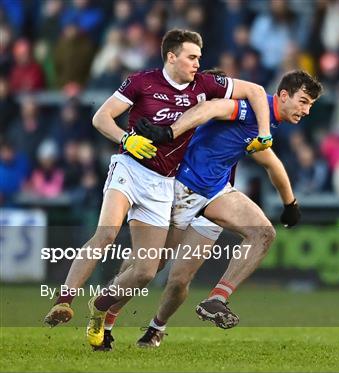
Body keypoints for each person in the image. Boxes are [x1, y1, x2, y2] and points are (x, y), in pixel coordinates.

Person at [43, 29, 273, 335]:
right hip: (130, 167)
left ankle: (100, 309)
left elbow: (257, 91)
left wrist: (264, 133)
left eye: (199, 58)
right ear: (172, 56)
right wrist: (127, 140)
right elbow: (101, 118)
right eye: (192, 57)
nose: (197, 64)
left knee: (146, 270)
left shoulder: (205, 85)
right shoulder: (142, 81)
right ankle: (64, 300)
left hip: (164, 183)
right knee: (107, 234)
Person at [90, 70, 323, 350]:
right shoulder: (250, 109)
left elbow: (272, 163)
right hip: (181, 189)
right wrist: (170, 132)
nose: (307, 110)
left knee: (248, 241)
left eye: (310, 105)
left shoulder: (265, 125)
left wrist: (290, 204)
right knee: (148, 266)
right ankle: (105, 315)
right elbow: (211, 107)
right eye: (304, 101)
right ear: (284, 96)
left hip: (214, 193)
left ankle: (202, 306)